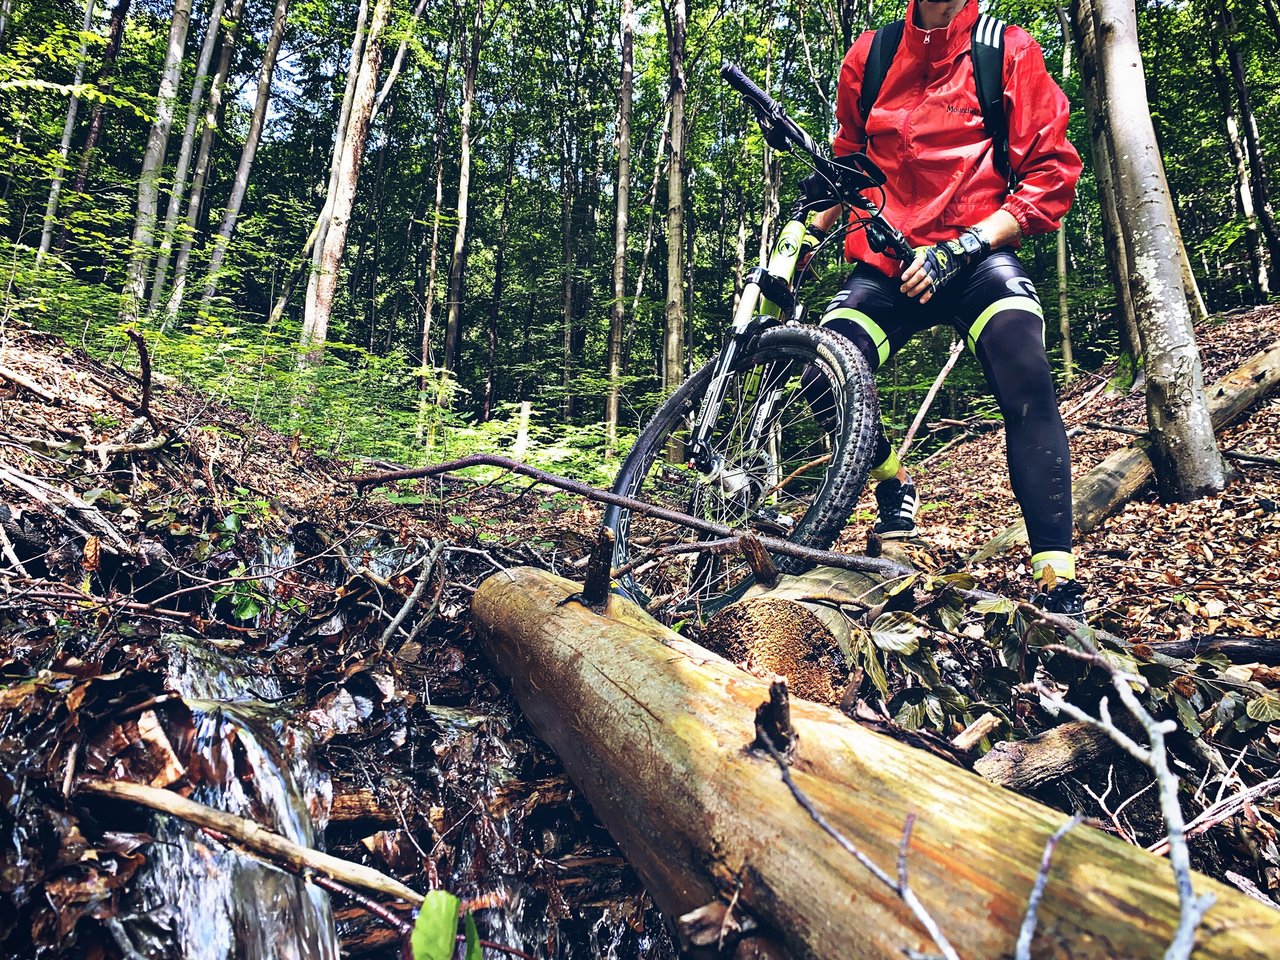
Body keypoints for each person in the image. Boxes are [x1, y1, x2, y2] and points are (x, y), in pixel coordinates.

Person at [807, 0, 1085, 614]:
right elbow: (848, 160)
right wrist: (799, 238)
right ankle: (890, 478)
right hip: (886, 258)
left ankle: (1057, 579)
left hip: (976, 252)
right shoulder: (872, 54)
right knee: (824, 375)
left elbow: (1052, 172)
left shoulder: (1006, 49)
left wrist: (963, 247)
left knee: (1027, 372)